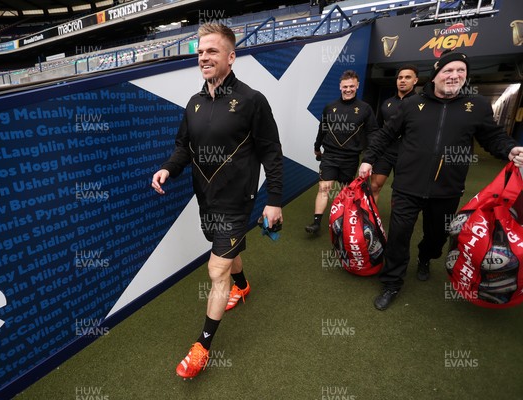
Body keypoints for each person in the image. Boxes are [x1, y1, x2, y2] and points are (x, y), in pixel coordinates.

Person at [151, 23, 283, 379]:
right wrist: (168, 169)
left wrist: (274, 199)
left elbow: (271, 152)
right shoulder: (194, 104)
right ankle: (243, 287)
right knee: (229, 254)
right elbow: (183, 147)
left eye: (211, 51)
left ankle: (202, 346)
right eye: (199, 52)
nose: (203, 57)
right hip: (206, 199)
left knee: (216, 268)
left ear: (230, 56)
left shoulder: (253, 100)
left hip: (238, 201)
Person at [358, 50, 523, 311]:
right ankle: (391, 282)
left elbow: (493, 138)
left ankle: (426, 257)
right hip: (407, 186)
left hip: (447, 189)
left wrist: (510, 149)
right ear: (435, 76)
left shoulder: (477, 105)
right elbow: (385, 134)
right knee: (399, 235)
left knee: (436, 237)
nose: (454, 75)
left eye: (461, 71)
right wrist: (368, 159)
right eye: (448, 70)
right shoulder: (411, 105)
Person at [305, 70, 378, 234]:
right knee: (324, 188)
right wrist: (317, 147)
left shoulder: (365, 109)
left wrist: (370, 157)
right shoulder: (330, 107)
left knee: (345, 191)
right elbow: (322, 129)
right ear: (340, 86)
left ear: (357, 86)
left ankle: (344, 221)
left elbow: (372, 132)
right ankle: (316, 223)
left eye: (352, 86)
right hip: (329, 155)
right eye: (345, 86)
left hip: (350, 158)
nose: (348, 89)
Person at [371, 64, 419, 203]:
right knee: (374, 186)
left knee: (401, 192)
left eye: (407, 77)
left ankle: (396, 224)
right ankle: (371, 221)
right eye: (400, 77)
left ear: (415, 81)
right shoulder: (387, 103)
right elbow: (377, 127)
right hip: (385, 152)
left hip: (407, 153)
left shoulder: (421, 103)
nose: (402, 80)